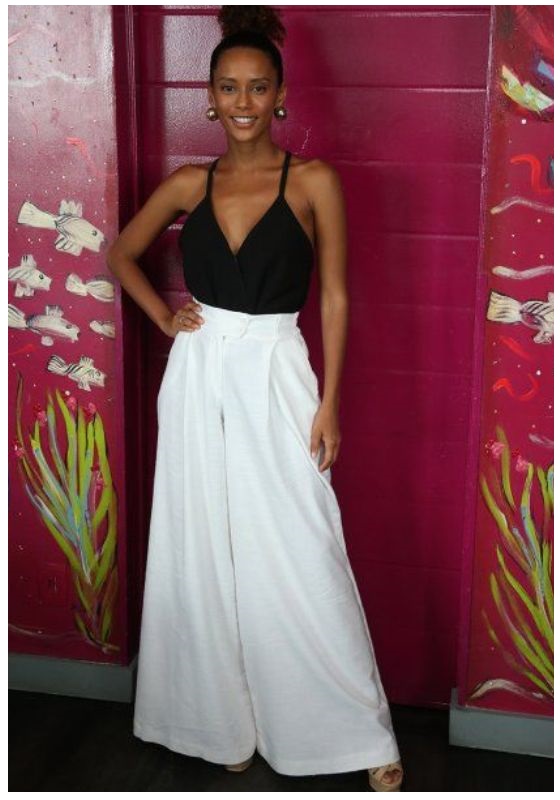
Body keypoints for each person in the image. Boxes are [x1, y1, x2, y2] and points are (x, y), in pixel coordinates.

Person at [107, 5, 404, 792]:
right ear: (209, 97)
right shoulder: (186, 183)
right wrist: (165, 318)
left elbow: (334, 296)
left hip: (276, 368)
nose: (243, 101)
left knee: (301, 544)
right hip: (198, 374)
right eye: (229, 87)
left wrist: (329, 403)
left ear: (280, 95)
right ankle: (220, 723)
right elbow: (122, 253)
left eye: (258, 86)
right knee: (201, 543)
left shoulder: (313, 181)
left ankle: (356, 732)